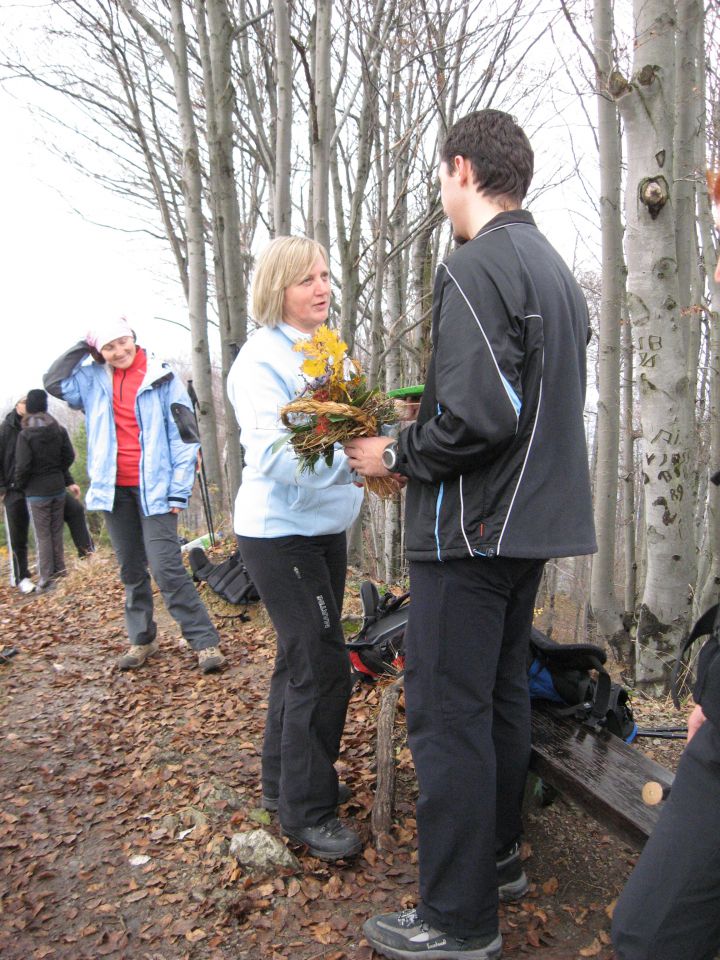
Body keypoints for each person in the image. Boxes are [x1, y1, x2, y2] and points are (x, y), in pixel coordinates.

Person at [345, 109, 597, 959]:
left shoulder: (476, 267)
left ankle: (457, 919)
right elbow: (516, 407)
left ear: (460, 169)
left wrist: (395, 447)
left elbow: (482, 419)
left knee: (445, 719)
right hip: (529, 529)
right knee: (496, 702)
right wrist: (437, 414)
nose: (442, 195)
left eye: (441, 178)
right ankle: (497, 860)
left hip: (472, 532)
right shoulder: (555, 271)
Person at [226, 235, 364, 861]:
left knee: (300, 657)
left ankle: (283, 788)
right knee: (323, 661)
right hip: (279, 534)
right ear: (277, 287)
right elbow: (276, 454)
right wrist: (352, 459)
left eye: (326, 276)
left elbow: (361, 420)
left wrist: (388, 440)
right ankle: (309, 813)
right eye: (307, 278)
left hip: (324, 530)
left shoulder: (331, 354)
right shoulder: (260, 362)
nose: (322, 288)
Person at [43, 318, 226, 674]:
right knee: (130, 569)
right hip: (114, 491)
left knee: (167, 568)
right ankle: (142, 639)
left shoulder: (162, 377)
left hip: (155, 490)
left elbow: (185, 437)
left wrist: (178, 490)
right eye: (109, 346)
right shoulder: (93, 379)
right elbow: (53, 382)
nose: (119, 351)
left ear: (133, 338)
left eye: (123, 342)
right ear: (99, 351)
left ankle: (205, 643)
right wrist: (85, 343)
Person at [0, 396, 94, 595]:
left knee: (74, 510)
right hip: (15, 488)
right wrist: (4, 489)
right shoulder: (6, 429)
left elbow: (59, 457)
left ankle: (86, 555)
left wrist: (68, 480)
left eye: (28, 401)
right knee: (18, 533)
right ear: (17, 406)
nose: (26, 405)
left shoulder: (49, 426)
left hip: (41, 487)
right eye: (22, 401)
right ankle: (22, 576)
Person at [13, 389, 76, 593]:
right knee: (55, 531)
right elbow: (69, 456)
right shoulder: (58, 429)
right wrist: (58, 471)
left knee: (43, 536)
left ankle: (46, 578)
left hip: (36, 491)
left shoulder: (26, 434)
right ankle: (60, 571)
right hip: (57, 487)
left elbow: (23, 466)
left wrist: (20, 485)